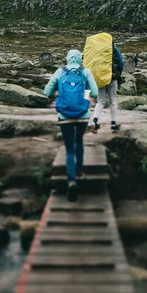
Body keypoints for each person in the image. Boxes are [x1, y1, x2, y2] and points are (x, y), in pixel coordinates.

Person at [44, 49, 98, 202]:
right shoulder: (85, 71)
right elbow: (94, 92)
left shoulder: (60, 71)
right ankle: (80, 172)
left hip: (64, 115)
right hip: (83, 114)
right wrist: (85, 98)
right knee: (79, 141)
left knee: (69, 149)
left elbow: (46, 91)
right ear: (80, 59)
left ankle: (71, 181)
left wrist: (59, 92)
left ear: (67, 59)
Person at [92, 41, 124, 133]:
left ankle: (95, 121)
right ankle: (113, 124)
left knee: (101, 101)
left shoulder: (99, 50)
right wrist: (118, 74)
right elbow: (121, 64)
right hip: (112, 78)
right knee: (113, 101)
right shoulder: (115, 50)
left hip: (101, 78)